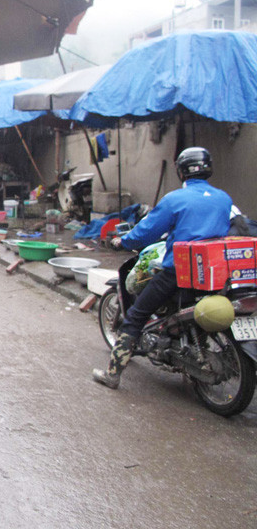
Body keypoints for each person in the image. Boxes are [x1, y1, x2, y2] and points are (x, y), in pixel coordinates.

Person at [92, 147, 232, 389]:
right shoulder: (224, 198)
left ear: (181, 171)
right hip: (214, 273)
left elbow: (146, 232)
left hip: (179, 272)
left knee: (135, 316)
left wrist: (121, 241)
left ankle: (112, 375)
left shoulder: (175, 199)